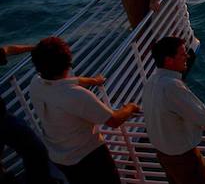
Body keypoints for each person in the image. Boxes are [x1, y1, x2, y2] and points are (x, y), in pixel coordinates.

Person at [28, 37, 140, 184]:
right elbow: (114, 121)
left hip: (59, 156)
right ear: (67, 65)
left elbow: (69, 81)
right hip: (88, 156)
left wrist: (93, 81)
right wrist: (130, 107)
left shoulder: (36, 83)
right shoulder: (76, 95)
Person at [142, 37, 205, 184]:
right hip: (183, 159)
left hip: (164, 156)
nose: (188, 56)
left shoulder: (151, 82)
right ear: (169, 60)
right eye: (182, 54)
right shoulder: (173, 86)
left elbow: (176, 110)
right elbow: (204, 119)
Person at [0, 44, 59, 184]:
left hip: (3, 120)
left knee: (35, 151)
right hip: (3, 121)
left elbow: (7, 50)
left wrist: (36, 47)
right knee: (34, 150)